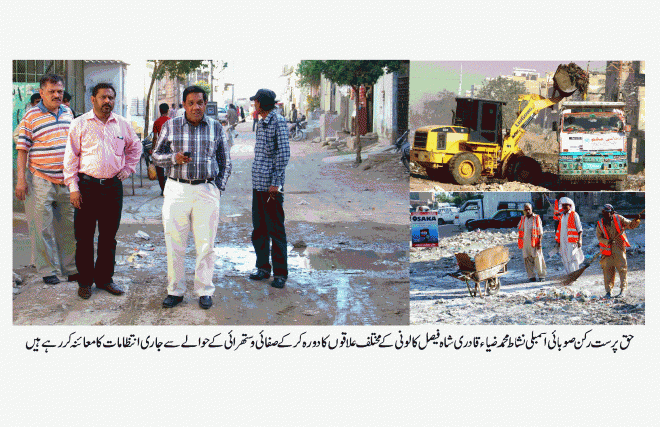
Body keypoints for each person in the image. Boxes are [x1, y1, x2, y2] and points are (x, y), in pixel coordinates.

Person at [152, 85, 232, 309]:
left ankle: (204, 290)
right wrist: (174, 159)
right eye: (191, 103)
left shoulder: (216, 128)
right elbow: (156, 156)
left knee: (206, 244)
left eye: (200, 102)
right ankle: (175, 290)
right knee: (174, 241)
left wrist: (217, 188)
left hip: (206, 190)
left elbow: (226, 161)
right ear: (184, 105)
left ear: (205, 104)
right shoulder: (171, 125)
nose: (196, 107)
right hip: (177, 189)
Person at [63, 83, 141, 299]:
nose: (108, 101)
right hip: (86, 188)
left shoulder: (122, 125)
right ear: (93, 99)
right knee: (84, 237)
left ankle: (105, 279)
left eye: (111, 98)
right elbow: (70, 158)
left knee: (108, 237)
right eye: (103, 97)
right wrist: (73, 188)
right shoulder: (79, 124)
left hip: (112, 189)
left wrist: (128, 169)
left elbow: (136, 147)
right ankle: (85, 281)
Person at [15, 74, 78, 285]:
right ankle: (47, 270)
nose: (56, 95)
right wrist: (20, 180)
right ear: (41, 93)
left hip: (66, 180)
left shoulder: (68, 112)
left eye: (59, 91)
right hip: (40, 179)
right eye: (51, 91)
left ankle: (71, 268)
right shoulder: (31, 116)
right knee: (42, 228)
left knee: (68, 228)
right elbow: (22, 150)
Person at [248, 88, 290, 288]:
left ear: (259, 103)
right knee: (259, 229)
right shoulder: (262, 122)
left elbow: (283, 154)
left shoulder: (278, 122)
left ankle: (280, 273)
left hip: (271, 187)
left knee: (276, 230)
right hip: (258, 184)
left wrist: (276, 182)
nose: (253, 105)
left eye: (255, 102)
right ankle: (263, 268)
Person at [596, 204, 641, 298]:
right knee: (607, 271)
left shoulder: (619, 218)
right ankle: (608, 292)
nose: (604, 214)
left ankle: (623, 290)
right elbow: (599, 237)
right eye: (603, 212)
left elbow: (631, 225)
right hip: (607, 250)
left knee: (622, 269)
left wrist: (636, 220)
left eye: (607, 212)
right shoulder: (600, 223)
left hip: (619, 248)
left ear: (612, 212)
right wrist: (607, 241)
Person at [555, 196, 584, 274]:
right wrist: (558, 241)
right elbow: (559, 229)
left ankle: (575, 273)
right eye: (563, 205)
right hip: (563, 241)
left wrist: (580, 240)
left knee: (572, 258)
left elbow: (579, 229)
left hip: (572, 241)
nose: (564, 207)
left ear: (570, 206)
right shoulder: (562, 216)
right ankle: (569, 274)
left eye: (566, 205)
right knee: (564, 258)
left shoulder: (574, 215)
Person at [518, 203, 546, 282]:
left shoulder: (536, 218)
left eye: (528, 209)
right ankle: (531, 276)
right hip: (525, 243)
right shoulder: (523, 219)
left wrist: (539, 243)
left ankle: (541, 276)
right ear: (524, 210)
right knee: (527, 260)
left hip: (535, 242)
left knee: (538, 259)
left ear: (531, 209)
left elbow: (540, 232)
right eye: (525, 209)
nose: (527, 211)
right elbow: (520, 230)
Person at [151, 103, 171, 195]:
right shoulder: (171, 121)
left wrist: (153, 149)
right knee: (169, 168)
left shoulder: (156, 122)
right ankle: (168, 188)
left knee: (159, 168)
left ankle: (163, 189)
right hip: (169, 148)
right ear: (168, 111)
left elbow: (155, 137)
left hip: (159, 148)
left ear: (160, 110)